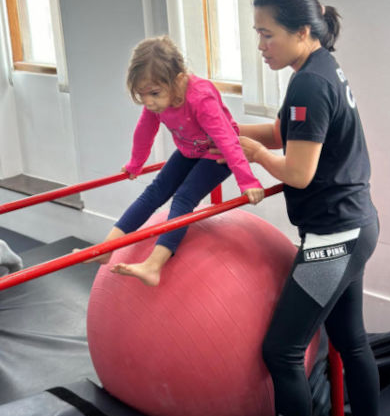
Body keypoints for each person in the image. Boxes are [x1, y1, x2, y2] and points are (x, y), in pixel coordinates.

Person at [233, 0, 379, 416]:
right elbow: (284, 132)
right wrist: (223, 130)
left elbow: (297, 172)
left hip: (336, 237)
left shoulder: (310, 83)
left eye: (267, 34)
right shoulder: (318, 67)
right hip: (354, 224)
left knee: (281, 351)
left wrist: (255, 156)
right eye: (257, 33)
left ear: (301, 31)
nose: (260, 45)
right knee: (351, 342)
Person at [88, 35, 264, 287]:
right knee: (154, 192)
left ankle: (153, 265)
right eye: (142, 95)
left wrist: (248, 182)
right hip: (189, 150)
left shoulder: (200, 98)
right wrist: (136, 164)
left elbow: (227, 140)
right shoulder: (157, 103)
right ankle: (107, 248)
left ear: (179, 79)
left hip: (218, 154)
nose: (149, 102)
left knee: (183, 197)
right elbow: (144, 131)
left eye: (154, 93)